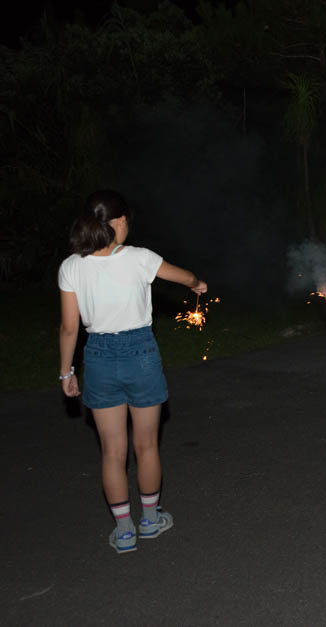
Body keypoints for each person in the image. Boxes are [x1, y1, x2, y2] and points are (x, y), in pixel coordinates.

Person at [58, 190, 207, 554]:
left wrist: (67, 372)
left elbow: (68, 328)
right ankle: (150, 520)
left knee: (112, 451)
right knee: (146, 444)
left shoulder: (71, 266)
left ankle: (124, 531)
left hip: (99, 357)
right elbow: (182, 275)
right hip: (140, 353)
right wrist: (196, 284)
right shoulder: (140, 259)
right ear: (120, 221)